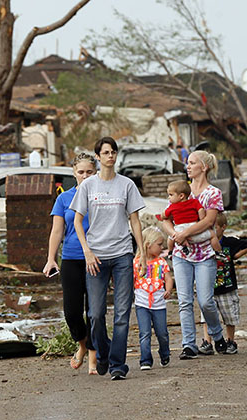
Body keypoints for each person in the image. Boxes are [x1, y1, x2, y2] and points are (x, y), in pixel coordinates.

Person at [71, 137, 145, 380]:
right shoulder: (88, 186)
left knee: (122, 313)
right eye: (106, 152)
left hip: (122, 253)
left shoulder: (126, 185)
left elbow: (135, 220)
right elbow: (77, 222)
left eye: (114, 152)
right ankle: (102, 353)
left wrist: (141, 252)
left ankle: (117, 365)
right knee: (95, 314)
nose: (111, 156)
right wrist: (87, 251)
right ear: (98, 157)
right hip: (96, 256)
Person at [161, 150, 228, 359]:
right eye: (187, 163)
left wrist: (185, 233)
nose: (187, 166)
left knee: (206, 301)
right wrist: (174, 235)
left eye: (191, 163)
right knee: (184, 301)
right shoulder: (180, 191)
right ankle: (189, 344)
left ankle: (217, 335)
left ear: (204, 167)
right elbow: (165, 218)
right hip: (182, 254)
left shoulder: (213, 193)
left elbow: (209, 222)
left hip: (205, 253)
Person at [43, 153, 98, 375]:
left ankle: (93, 358)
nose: (85, 176)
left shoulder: (100, 197)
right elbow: (57, 231)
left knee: (94, 311)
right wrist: (50, 259)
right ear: (74, 173)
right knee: (72, 313)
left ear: (96, 172)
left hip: (96, 259)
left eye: (89, 172)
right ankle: (82, 344)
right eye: (81, 172)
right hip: (71, 259)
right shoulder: (64, 199)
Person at [198, 212, 247, 355]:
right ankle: (207, 342)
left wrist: (236, 256)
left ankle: (230, 341)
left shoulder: (229, 242)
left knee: (229, 316)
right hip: (209, 287)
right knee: (206, 315)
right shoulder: (204, 243)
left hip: (227, 287)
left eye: (214, 227)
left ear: (223, 227)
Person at [133, 227, 174, 370]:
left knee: (162, 332)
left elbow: (168, 278)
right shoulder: (136, 263)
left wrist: (168, 289)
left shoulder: (161, 262)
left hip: (158, 304)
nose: (162, 247)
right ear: (147, 245)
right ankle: (145, 360)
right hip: (142, 303)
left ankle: (164, 353)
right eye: (159, 244)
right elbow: (131, 280)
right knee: (144, 333)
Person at [162, 179, 219, 252]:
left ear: (181, 196)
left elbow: (164, 217)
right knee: (212, 234)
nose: (168, 197)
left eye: (171, 195)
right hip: (194, 229)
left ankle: (171, 251)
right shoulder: (194, 202)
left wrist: (163, 215)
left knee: (171, 237)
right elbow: (201, 210)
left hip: (179, 230)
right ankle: (218, 252)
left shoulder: (172, 206)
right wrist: (202, 220)